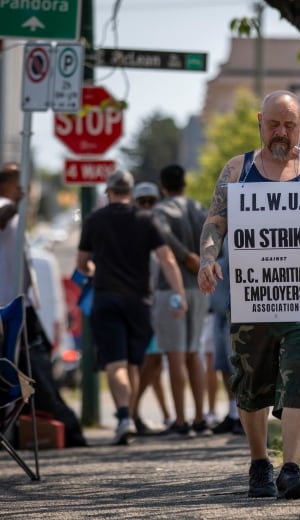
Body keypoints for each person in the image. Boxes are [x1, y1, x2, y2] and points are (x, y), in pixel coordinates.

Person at [197, 90, 300, 499]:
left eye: (289, 124)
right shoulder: (238, 170)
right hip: (254, 297)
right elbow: (215, 223)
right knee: (252, 381)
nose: (280, 132)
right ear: (259, 121)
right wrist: (207, 259)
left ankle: (293, 468)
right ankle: (259, 463)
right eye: (273, 124)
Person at [76, 170, 187, 445]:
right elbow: (167, 258)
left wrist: (93, 269)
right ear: (130, 190)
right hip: (138, 301)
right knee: (134, 363)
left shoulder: (94, 220)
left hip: (105, 298)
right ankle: (131, 416)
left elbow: (81, 263)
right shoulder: (145, 218)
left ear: (109, 191)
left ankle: (125, 416)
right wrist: (179, 293)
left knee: (115, 363)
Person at [1, 162, 87, 448]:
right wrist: (15, 204)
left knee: (38, 373)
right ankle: (70, 431)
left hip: (23, 304)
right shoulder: (5, 205)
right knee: (36, 373)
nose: (25, 192)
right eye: (19, 185)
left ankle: (59, 429)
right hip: (9, 305)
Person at [152, 164, 212, 438]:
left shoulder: (160, 210)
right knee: (193, 354)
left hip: (171, 288)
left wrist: (184, 255)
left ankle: (180, 421)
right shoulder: (199, 208)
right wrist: (201, 258)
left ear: (163, 186)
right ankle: (200, 417)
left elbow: (162, 235)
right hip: (198, 287)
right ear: (184, 184)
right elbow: (214, 235)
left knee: (175, 356)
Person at [129, 182, 173, 435]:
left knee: (154, 364)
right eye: (142, 202)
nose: (147, 206)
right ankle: (132, 412)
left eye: (151, 202)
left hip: (156, 301)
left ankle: (158, 413)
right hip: (144, 303)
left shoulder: (157, 226)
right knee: (150, 360)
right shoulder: (137, 228)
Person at [208, 239, 244, 435]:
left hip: (238, 316)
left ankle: (242, 415)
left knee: (237, 366)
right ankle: (232, 414)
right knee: (223, 365)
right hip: (220, 314)